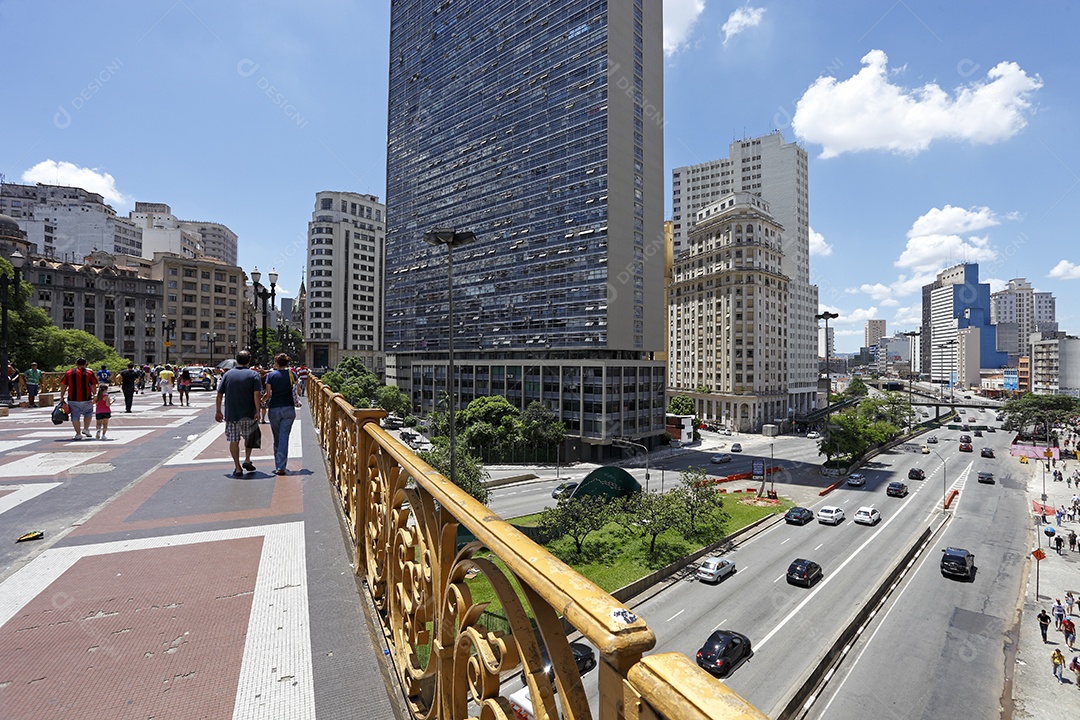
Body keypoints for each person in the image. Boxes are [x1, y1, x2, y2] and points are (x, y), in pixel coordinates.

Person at [215, 350, 263, 478]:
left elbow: (219, 394)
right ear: (249, 361)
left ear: (237, 360)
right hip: (248, 413)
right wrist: (258, 411)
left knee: (233, 440)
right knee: (249, 438)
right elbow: (256, 395)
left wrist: (218, 411)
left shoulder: (227, 375)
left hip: (232, 414)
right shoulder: (253, 375)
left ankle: (237, 467)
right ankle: (247, 459)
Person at [262, 353, 297, 476]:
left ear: (277, 363)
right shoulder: (292, 374)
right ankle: (281, 466)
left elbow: (268, 394)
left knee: (277, 437)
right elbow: (297, 391)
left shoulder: (271, 376)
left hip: (274, 409)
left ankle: (279, 464)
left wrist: (260, 402)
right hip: (289, 409)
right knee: (284, 437)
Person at [58, 357, 97, 440]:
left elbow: (64, 385)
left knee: (75, 416)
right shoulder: (89, 372)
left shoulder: (69, 372)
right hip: (86, 398)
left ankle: (78, 434)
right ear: (85, 364)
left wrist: (61, 396)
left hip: (73, 398)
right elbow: (93, 385)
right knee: (88, 413)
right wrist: (95, 395)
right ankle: (86, 429)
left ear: (76, 363)